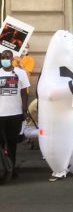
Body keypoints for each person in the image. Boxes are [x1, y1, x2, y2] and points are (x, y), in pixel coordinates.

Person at [0, 49, 30, 179]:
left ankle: (11, 167)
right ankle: (3, 167)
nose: (5, 59)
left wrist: (24, 109)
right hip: (0, 114)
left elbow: (24, 93)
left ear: (12, 58)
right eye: (3, 57)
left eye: (7, 57)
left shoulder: (20, 73)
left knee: (12, 142)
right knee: (1, 143)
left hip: (15, 113)